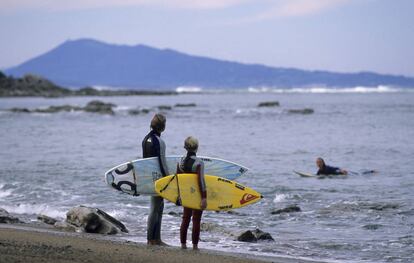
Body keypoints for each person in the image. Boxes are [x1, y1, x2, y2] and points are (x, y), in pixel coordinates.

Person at [142, 113, 169, 246]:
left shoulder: (145, 139)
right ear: (163, 127)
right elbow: (162, 163)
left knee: (155, 207)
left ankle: (152, 238)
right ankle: (154, 239)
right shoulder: (159, 142)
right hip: (159, 179)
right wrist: (168, 179)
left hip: (149, 178)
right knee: (157, 208)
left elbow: (144, 162)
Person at [176, 136, 207, 250]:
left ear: (185, 147)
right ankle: (195, 246)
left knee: (186, 218)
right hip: (197, 194)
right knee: (196, 219)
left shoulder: (181, 161)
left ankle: (183, 245)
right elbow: (201, 181)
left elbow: (178, 179)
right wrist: (204, 197)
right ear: (197, 148)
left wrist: (179, 195)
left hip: (185, 194)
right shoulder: (199, 162)